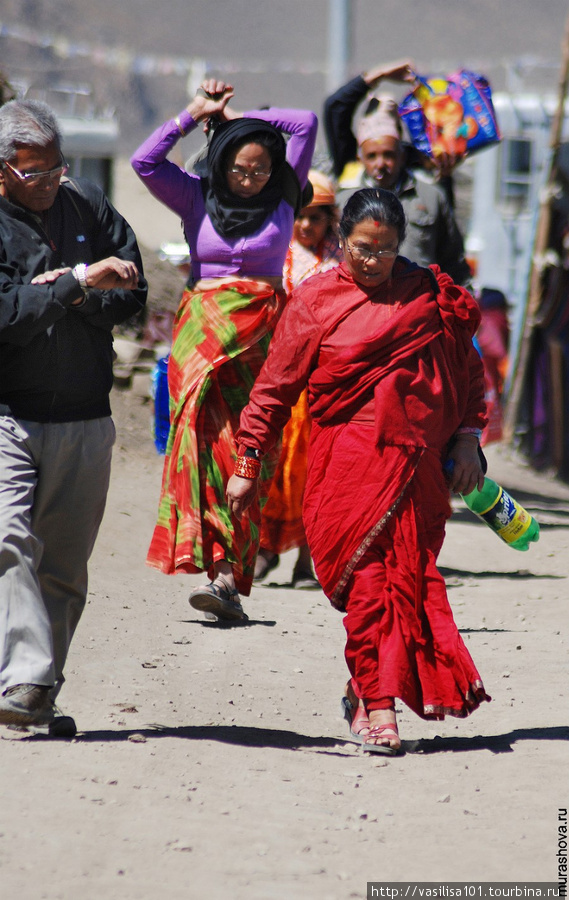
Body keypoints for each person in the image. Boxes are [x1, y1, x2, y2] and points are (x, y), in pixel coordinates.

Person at [227, 188, 491, 754]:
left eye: (387, 250)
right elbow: (274, 389)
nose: (373, 261)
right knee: (371, 586)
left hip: (417, 470)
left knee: (403, 585)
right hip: (345, 469)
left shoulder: (429, 297)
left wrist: (469, 437)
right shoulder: (317, 300)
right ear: (341, 239)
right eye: (363, 248)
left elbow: (469, 373)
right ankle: (377, 702)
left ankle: (370, 695)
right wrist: (248, 461)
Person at [131, 79, 317, 622]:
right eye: (239, 168)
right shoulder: (194, 197)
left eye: (260, 169)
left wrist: (237, 117)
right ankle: (215, 573)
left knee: (248, 450)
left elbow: (304, 120)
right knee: (199, 445)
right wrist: (194, 113)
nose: (249, 178)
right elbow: (145, 162)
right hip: (201, 337)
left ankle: (233, 574)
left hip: (260, 338)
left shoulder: (285, 195)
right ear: (220, 164)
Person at [0, 99, 147, 733]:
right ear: (2, 169)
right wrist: (78, 285)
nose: (50, 181)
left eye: (56, 167)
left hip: (87, 416)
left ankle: (37, 693)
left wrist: (69, 291)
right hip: (9, 416)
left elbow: (132, 292)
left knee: (63, 565)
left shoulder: (86, 203)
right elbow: (6, 319)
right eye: (34, 172)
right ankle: (25, 676)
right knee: (8, 541)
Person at [254, 169, 342, 588]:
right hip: (285, 377)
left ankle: (307, 562)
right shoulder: (277, 256)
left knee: (316, 470)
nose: (307, 225)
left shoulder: (341, 265)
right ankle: (265, 549)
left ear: (331, 219)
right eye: (301, 216)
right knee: (277, 465)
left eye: (318, 217)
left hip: (327, 383)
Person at [323, 59, 471, 285]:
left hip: (418, 311)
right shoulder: (344, 201)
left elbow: (452, 261)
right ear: (359, 157)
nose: (381, 163)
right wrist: (376, 75)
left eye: (389, 155)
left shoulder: (431, 196)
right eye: (372, 156)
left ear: (402, 155)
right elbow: (335, 109)